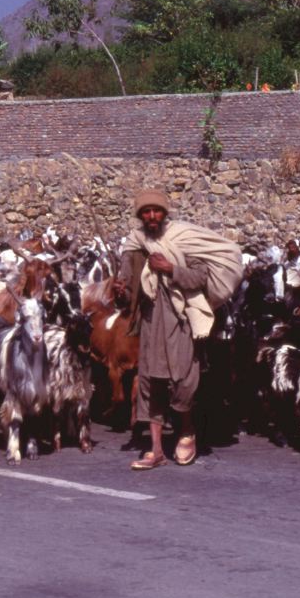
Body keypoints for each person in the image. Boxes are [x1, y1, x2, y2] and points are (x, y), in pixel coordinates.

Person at [112, 189, 207, 469]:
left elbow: (201, 277)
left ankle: (187, 429)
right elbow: (127, 290)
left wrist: (169, 268)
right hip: (151, 319)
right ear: (140, 216)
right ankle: (156, 450)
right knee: (151, 382)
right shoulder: (135, 244)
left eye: (156, 211)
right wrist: (120, 292)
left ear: (165, 214)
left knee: (184, 379)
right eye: (146, 212)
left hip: (181, 318)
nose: (151, 216)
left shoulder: (184, 239)